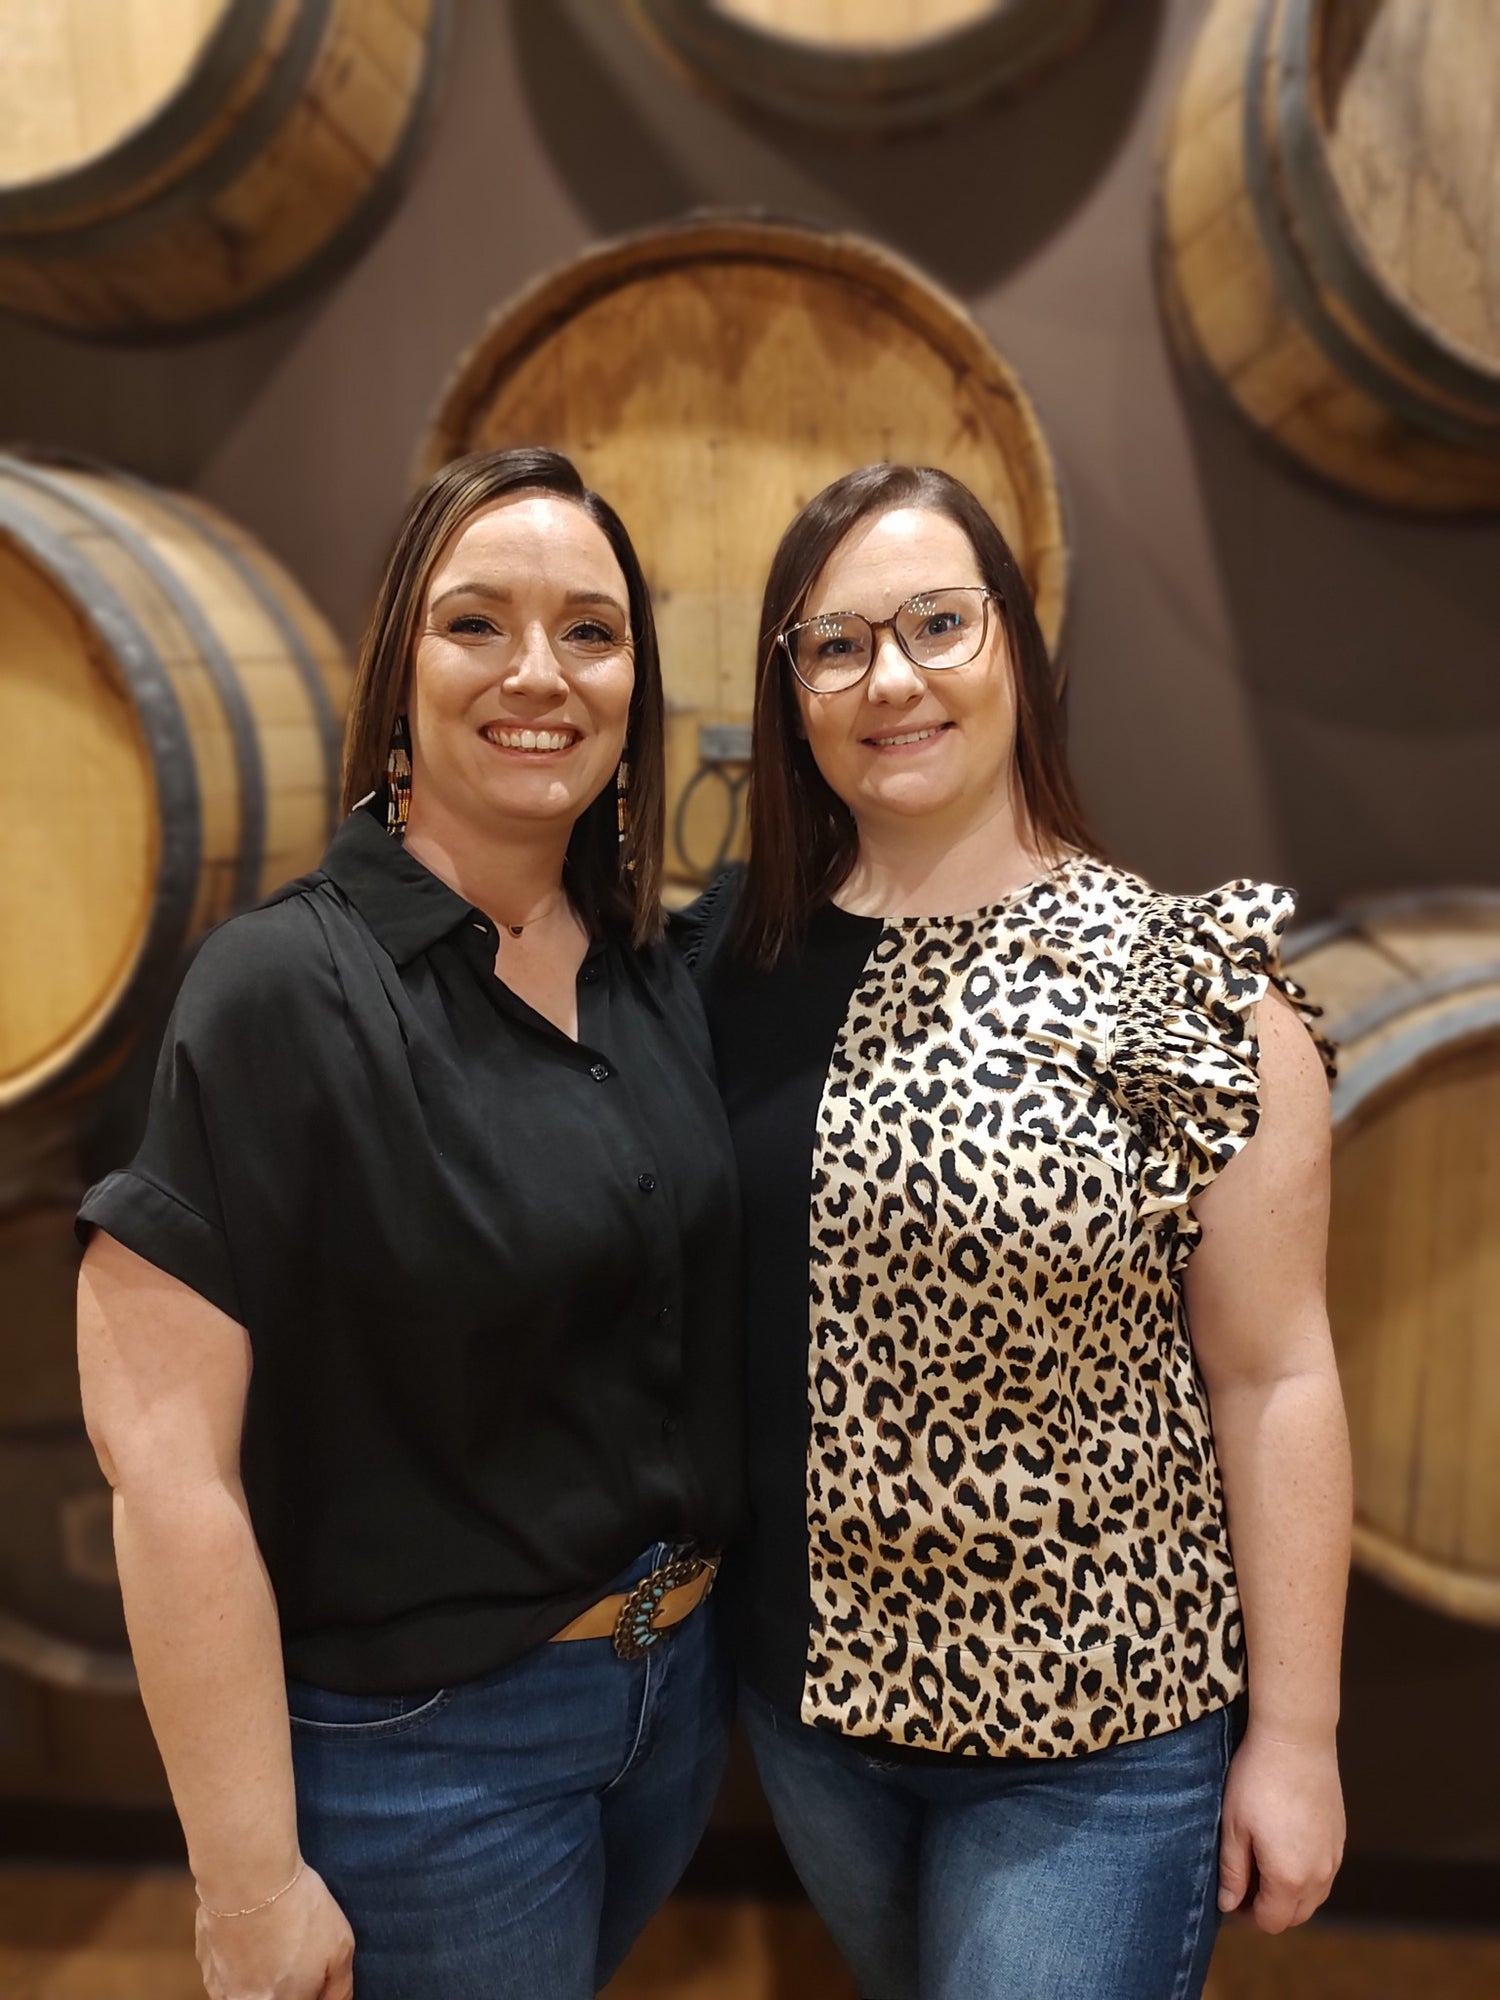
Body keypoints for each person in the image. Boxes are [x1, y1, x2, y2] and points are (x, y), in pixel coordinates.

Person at [76, 447, 741, 2000]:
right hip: (429, 1758)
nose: (540, 672)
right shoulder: (279, 992)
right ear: (398, 676)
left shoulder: (650, 965)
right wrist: (247, 1884)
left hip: (672, 1698)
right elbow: (166, 1471)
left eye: (591, 631)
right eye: (477, 623)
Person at [678, 463, 1349, 2000]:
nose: (890, 678)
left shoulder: (1187, 982)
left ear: (1015, 649)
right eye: (837, 644)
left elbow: (1275, 1376)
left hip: (1097, 1737)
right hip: (810, 1718)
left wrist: (1300, 1736)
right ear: (790, 693)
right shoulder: (724, 966)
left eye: (937, 623)